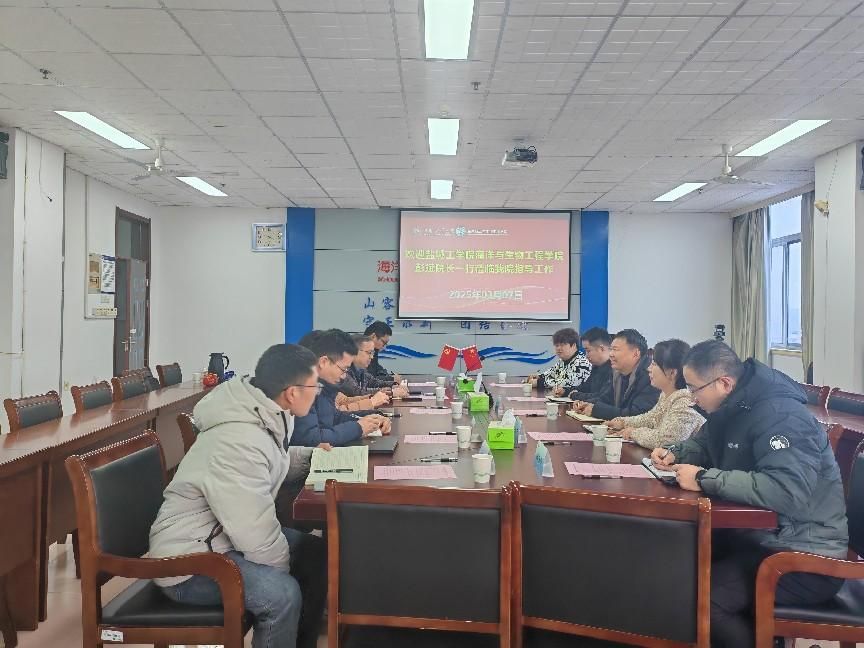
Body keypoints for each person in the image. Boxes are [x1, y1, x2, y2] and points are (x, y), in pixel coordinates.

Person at [650, 341, 848, 648]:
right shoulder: (732, 406)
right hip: (760, 539)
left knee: (705, 599)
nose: (691, 397)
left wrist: (703, 478)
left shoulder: (782, 416)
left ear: (724, 383)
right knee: (674, 562)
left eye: (694, 388)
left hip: (804, 556)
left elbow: (786, 490)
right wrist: (677, 453)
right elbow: (707, 446)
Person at [148, 343, 328, 648]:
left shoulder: (263, 411)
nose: (318, 392)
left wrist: (313, 459)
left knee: (316, 555)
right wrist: (282, 574)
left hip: (221, 539)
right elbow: (253, 531)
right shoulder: (237, 440)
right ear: (292, 392)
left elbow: (269, 461)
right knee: (282, 595)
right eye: (315, 386)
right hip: (189, 561)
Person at [291, 329, 391, 447]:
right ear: (323, 362)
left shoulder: (324, 387)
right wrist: (358, 428)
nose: (344, 376)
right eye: (343, 369)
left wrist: (372, 418)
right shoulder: (301, 389)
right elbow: (310, 438)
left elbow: (334, 417)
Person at [606, 339, 704, 449]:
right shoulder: (667, 395)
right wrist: (622, 422)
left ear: (672, 373)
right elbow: (650, 419)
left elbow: (666, 441)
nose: (649, 369)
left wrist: (633, 433)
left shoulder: (686, 402)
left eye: (654, 364)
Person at [573, 328, 659, 419]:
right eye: (611, 349)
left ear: (635, 354)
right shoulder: (617, 373)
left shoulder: (651, 376)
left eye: (615, 349)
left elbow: (637, 414)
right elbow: (606, 399)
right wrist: (587, 404)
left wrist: (596, 410)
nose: (610, 354)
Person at [335, 334, 393, 412]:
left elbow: (375, 382)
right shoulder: (343, 371)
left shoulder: (361, 370)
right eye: (369, 352)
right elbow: (357, 393)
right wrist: (385, 393)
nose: (371, 357)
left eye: (372, 353)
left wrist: (393, 386)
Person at [526, 327, 592, 396]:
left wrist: (540, 382)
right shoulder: (563, 360)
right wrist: (539, 376)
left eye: (562, 345)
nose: (558, 348)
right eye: (557, 345)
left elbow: (567, 383)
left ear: (574, 345)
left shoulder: (582, 363)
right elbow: (551, 373)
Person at [567, 327, 613, 400]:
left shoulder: (615, 369)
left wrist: (575, 395)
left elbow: (602, 397)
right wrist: (565, 391)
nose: (586, 356)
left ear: (601, 349)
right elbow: (585, 388)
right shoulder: (597, 367)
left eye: (588, 351)